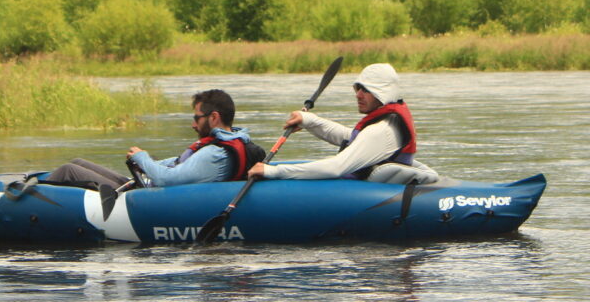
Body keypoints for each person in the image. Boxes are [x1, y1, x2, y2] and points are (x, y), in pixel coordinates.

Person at [248, 63, 439, 184]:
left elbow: (336, 167)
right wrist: (308, 120)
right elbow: (349, 138)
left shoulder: (383, 131)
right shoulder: (384, 122)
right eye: (357, 88)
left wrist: (274, 171)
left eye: (365, 90)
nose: (358, 94)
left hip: (366, 191)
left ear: (383, 93)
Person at [44, 89, 265, 189]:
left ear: (214, 117)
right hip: (146, 187)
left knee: (67, 170)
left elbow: (167, 180)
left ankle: (32, 205)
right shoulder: (229, 141)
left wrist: (143, 158)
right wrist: (148, 163)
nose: (193, 124)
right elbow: (179, 163)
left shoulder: (214, 154)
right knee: (78, 163)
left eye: (197, 118)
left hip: (148, 198)